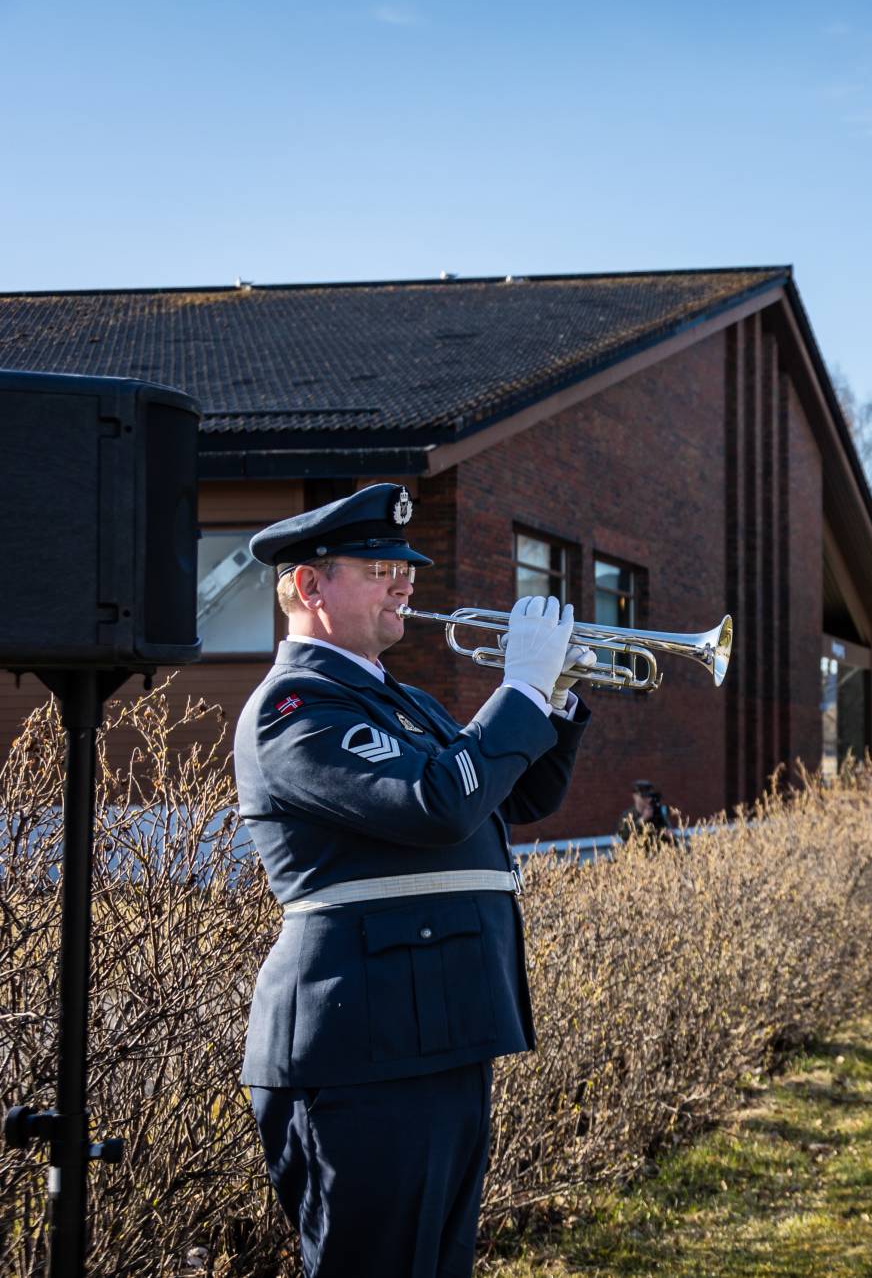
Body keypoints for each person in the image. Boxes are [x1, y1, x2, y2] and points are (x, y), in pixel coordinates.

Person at [233, 483, 597, 1278]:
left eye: (406, 566)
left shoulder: (406, 703)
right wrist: (521, 690)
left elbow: (519, 794)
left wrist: (557, 697)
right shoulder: (295, 708)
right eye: (378, 565)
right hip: (362, 1044)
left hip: (438, 1032)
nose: (405, 580)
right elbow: (436, 803)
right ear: (308, 585)